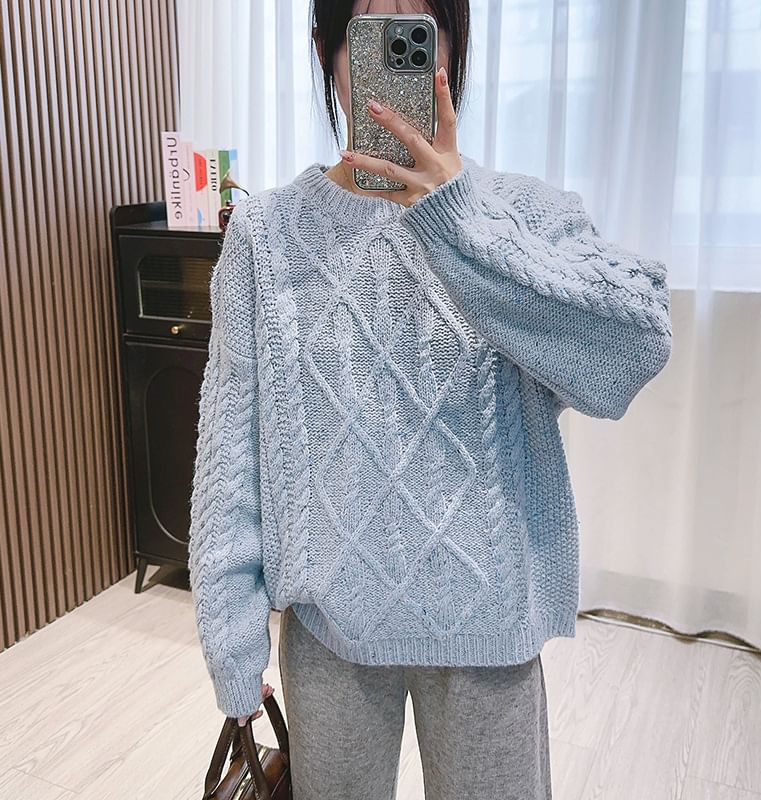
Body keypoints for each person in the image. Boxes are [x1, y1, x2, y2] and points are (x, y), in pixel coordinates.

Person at [187, 0, 673, 798]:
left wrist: (461, 223)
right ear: (326, 47)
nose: (391, 65)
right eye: (368, 34)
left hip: (490, 626)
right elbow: (231, 454)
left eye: (416, 34)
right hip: (330, 632)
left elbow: (634, 348)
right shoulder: (266, 237)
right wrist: (233, 645)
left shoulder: (522, 216)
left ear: (452, 46)